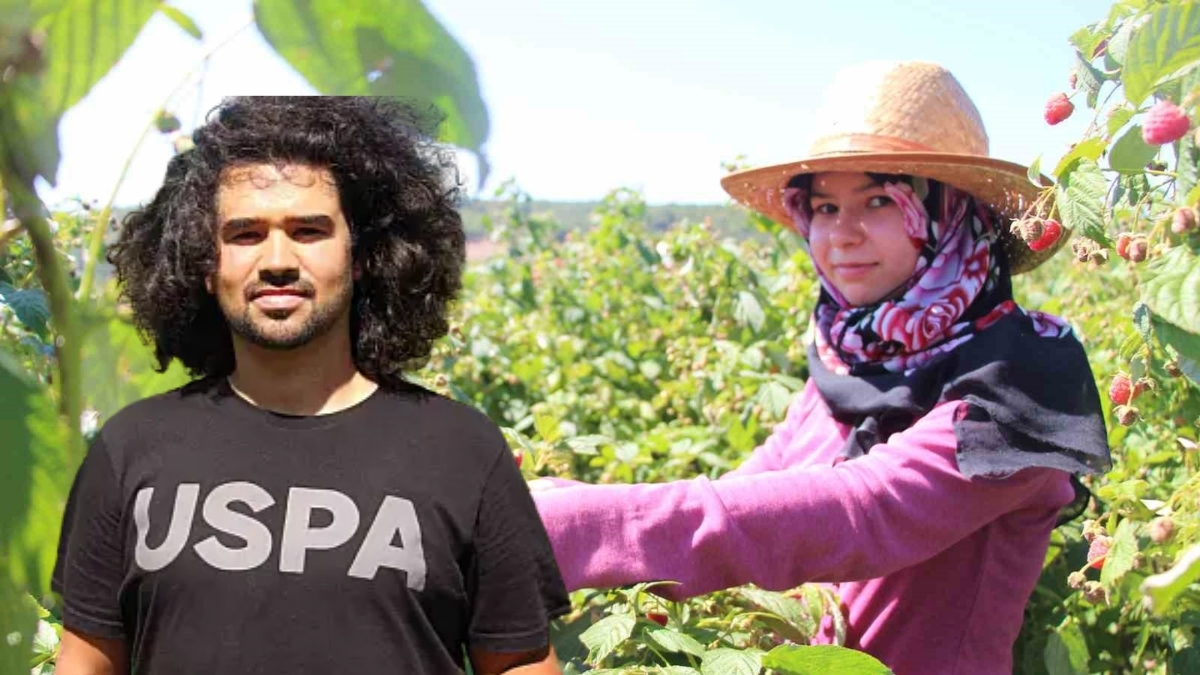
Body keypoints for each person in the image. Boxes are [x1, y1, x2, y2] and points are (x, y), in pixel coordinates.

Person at [528, 61, 1111, 675]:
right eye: (826, 207)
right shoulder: (845, 364)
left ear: (951, 214)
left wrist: (583, 527)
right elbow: (748, 495)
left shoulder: (1020, 382)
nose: (842, 235)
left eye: (880, 199)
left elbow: (865, 511)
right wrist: (562, 505)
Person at [51, 97, 569, 675]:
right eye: (245, 234)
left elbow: (520, 663)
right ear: (205, 263)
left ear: (365, 255)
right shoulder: (129, 450)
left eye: (308, 231)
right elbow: (86, 664)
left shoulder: (463, 451)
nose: (277, 260)